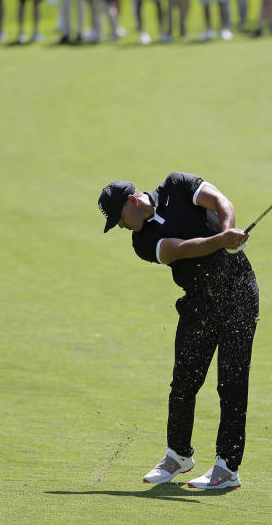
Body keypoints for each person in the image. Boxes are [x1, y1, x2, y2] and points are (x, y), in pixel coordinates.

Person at [96, 173, 258, 491]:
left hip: (238, 295)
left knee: (232, 384)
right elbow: (182, 250)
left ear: (133, 201)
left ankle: (227, 467)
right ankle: (178, 455)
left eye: (119, 217)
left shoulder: (178, 185)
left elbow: (220, 201)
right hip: (198, 304)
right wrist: (222, 242)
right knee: (183, 383)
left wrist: (228, 231)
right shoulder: (142, 243)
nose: (120, 225)